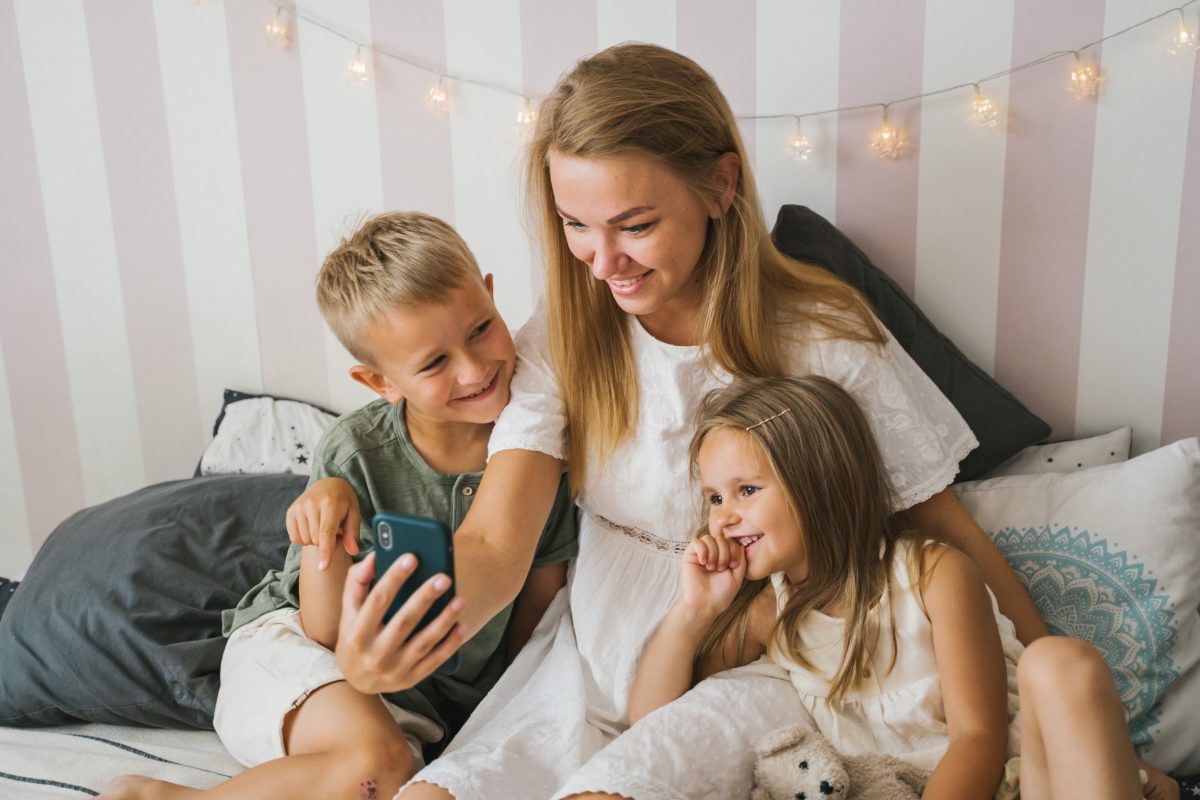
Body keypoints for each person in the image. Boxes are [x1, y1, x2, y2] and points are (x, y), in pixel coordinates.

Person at [302, 44, 1051, 799]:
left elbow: (943, 527)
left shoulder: (825, 336)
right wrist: (406, 637)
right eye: (576, 225)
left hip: (750, 659)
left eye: (634, 225)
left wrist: (1071, 704)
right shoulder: (564, 337)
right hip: (588, 649)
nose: (604, 262)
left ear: (720, 186)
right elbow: (497, 539)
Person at [98, 212, 578, 800]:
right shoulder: (357, 453)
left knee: (396, 772)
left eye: (481, 328)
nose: (474, 369)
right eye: (433, 363)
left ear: (493, 293)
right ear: (380, 382)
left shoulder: (536, 452)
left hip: (423, 708)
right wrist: (320, 523)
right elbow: (324, 631)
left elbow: (531, 626)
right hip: (300, 657)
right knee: (375, 764)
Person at [630, 375, 1161, 800]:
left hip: (1017, 779)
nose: (723, 518)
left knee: (1057, 661)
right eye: (714, 498)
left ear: (821, 483)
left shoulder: (934, 576)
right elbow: (649, 723)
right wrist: (693, 610)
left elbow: (979, 739)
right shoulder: (772, 613)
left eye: (745, 490)